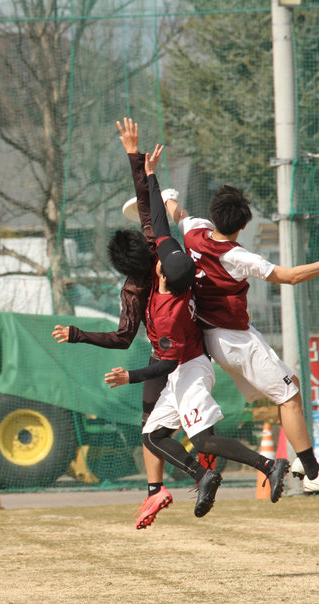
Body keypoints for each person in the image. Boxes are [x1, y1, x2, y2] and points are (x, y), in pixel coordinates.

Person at [104, 145, 289, 519]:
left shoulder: (167, 312)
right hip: (181, 371)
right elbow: (157, 221)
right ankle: (202, 476)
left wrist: (130, 376)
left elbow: (164, 363)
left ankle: (270, 465)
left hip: (187, 369)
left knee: (203, 439)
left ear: (164, 276)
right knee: (152, 435)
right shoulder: (170, 272)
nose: (163, 259)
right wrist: (148, 174)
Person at [164, 184, 319, 493]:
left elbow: (179, 214)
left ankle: (304, 460)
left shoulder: (194, 233)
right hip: (235, 340)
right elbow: (290, 276)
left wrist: (166, 196)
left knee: (291, 384)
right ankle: (313, 474)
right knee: (289, 396)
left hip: (215, 337)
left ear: (213, 217)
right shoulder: (237, 256)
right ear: (243, 225)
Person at [53, 117, 176, 530]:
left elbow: (123, 338)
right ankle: (171, 481)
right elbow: (146, 203)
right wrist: (134, 157)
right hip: (201, 343)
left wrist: (77, 334)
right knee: (178, 423)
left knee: (150, 427)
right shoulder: (160, 246)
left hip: (165, 356)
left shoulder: (133, 290)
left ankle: (164, 485)